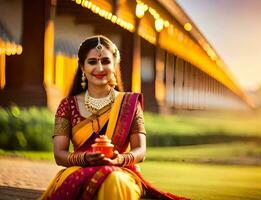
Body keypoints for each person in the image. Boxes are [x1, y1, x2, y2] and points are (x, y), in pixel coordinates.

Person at [40, 35, 189, 200]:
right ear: (82, 66)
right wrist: (84, 158)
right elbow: (59, 154)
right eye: (92, 62)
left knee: (113, 179)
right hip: (78, 169)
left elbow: (140, 150)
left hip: (120, 170)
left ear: (114, 65)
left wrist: (119, 159)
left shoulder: (129, 104)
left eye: (105, 61)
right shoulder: (67, 105)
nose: (100, 68)